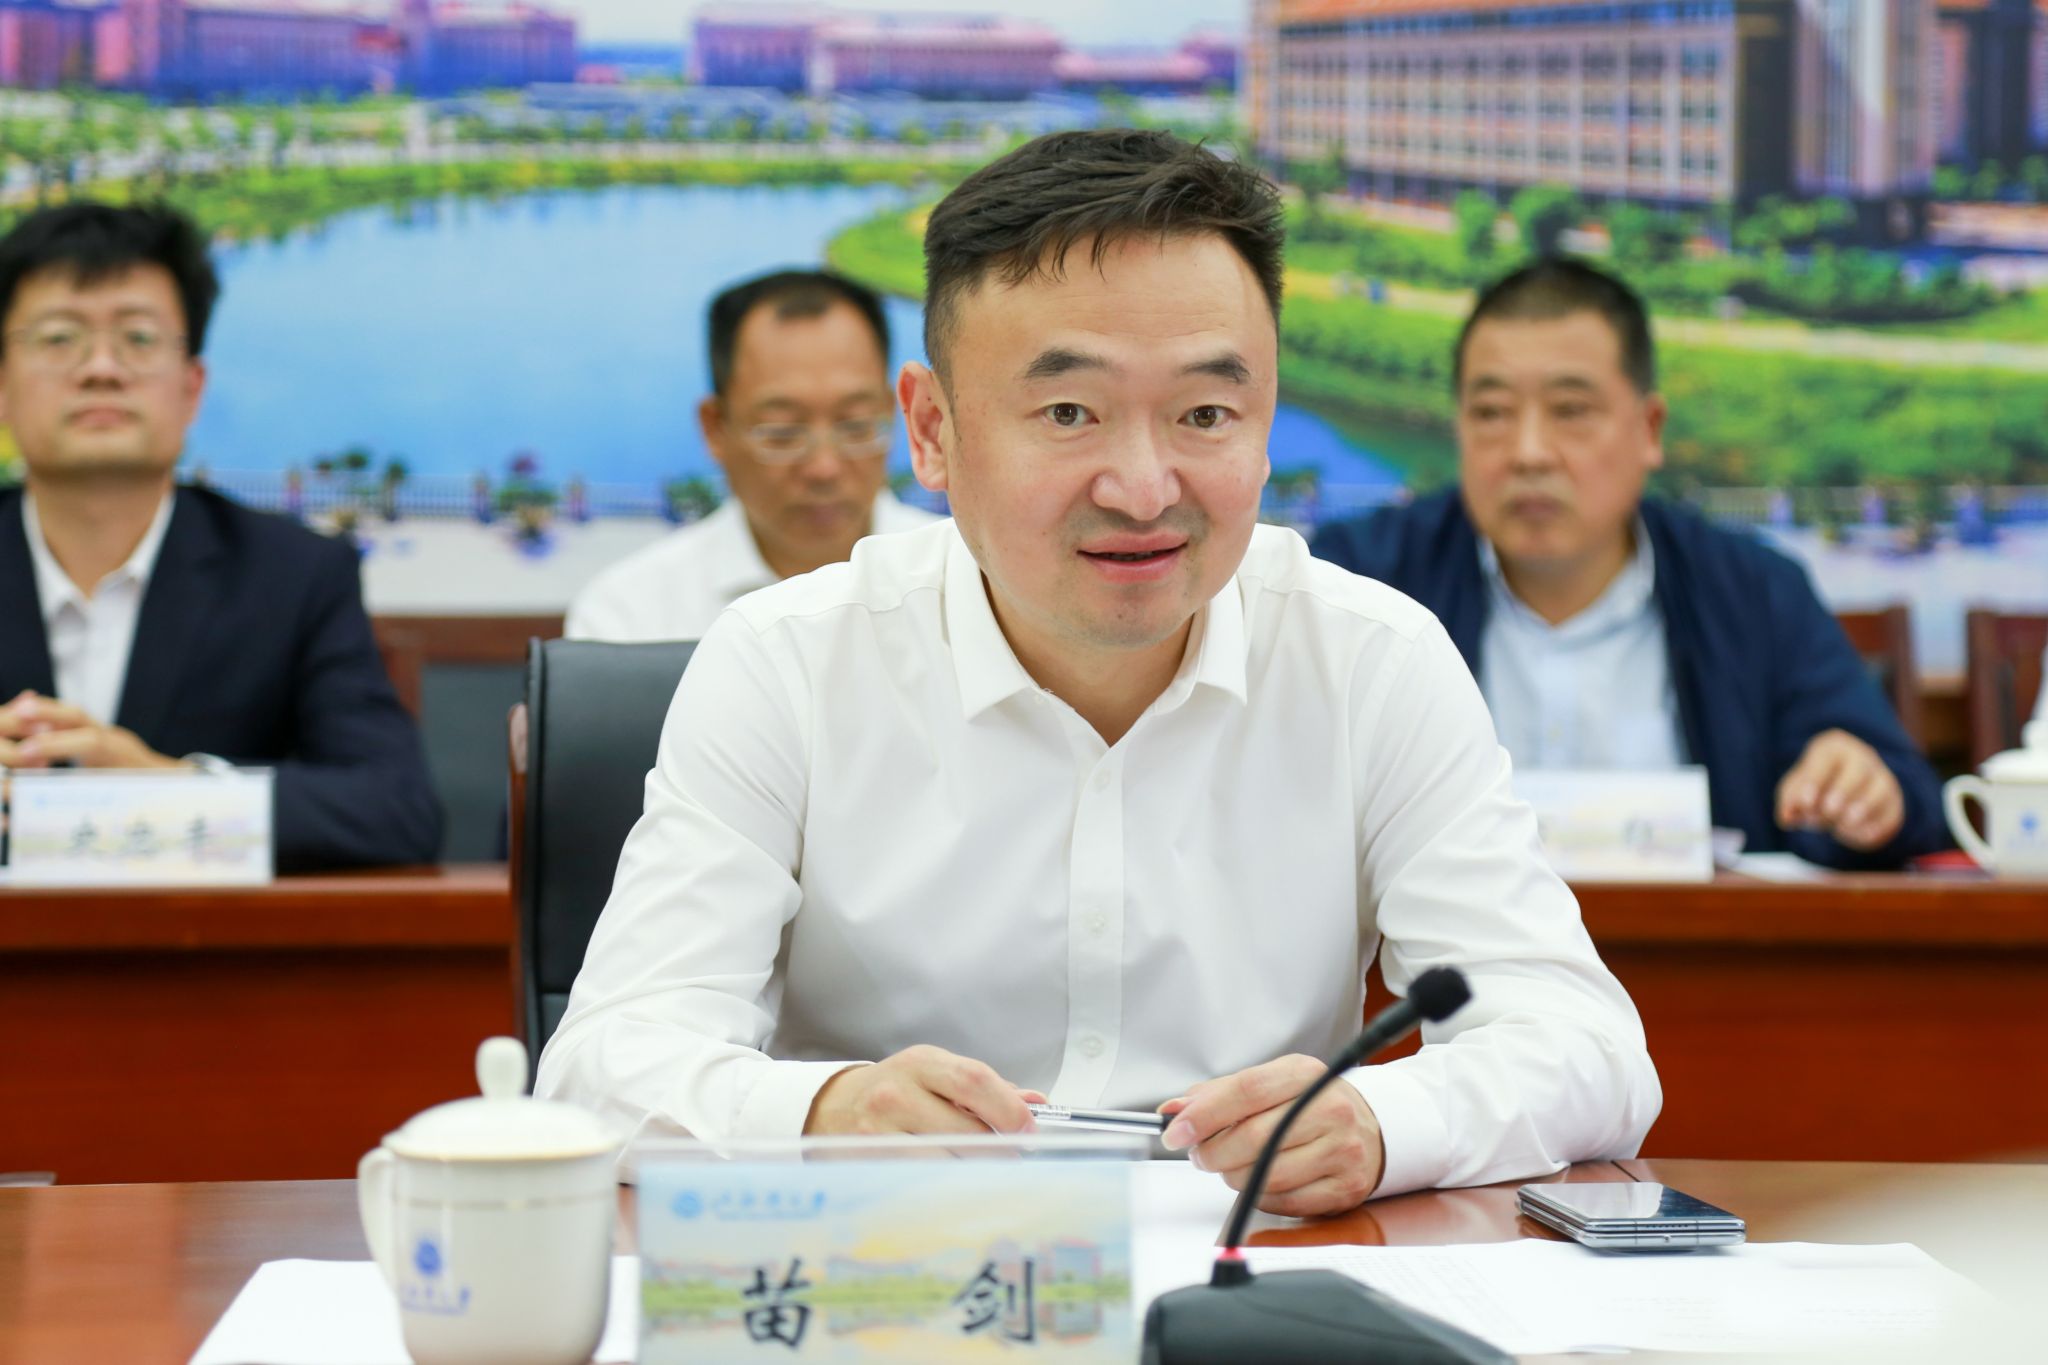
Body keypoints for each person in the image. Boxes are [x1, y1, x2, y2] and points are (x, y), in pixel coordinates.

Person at [538, 130, 1658, 1216]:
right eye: (1068, 412)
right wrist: (831, 1109)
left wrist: (1381, 1118)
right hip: (896, 1273)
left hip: (1249, 1278)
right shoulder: (785, 661)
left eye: (1205, 413)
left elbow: (1588, 1049)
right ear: (931, 431)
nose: (1142, 487)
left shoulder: (1374, 661)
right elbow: (600, 1069)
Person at [1312, 259, 1947, 870]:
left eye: (1571, 411)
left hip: (1696, 944)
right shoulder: (1361, 583)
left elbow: (1912, 803)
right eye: (1492, 413)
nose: (1529, 453)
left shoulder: (1754, 590)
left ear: (1649, 429)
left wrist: (1859, 790)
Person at [0, 202, 441, 871]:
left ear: (191, 388)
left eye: (138, 338)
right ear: (3, 385)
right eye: (60, 338)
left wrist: (169, 789)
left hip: (200, 937)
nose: (101, 368)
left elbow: (397, 810)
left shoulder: (293, 576)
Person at [565, 269, 937, 642]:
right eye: (782, 432)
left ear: (895, 411)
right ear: (715, 428)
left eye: (855, 425)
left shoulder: (952, 574)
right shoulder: (631, 615)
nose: (824, 467)